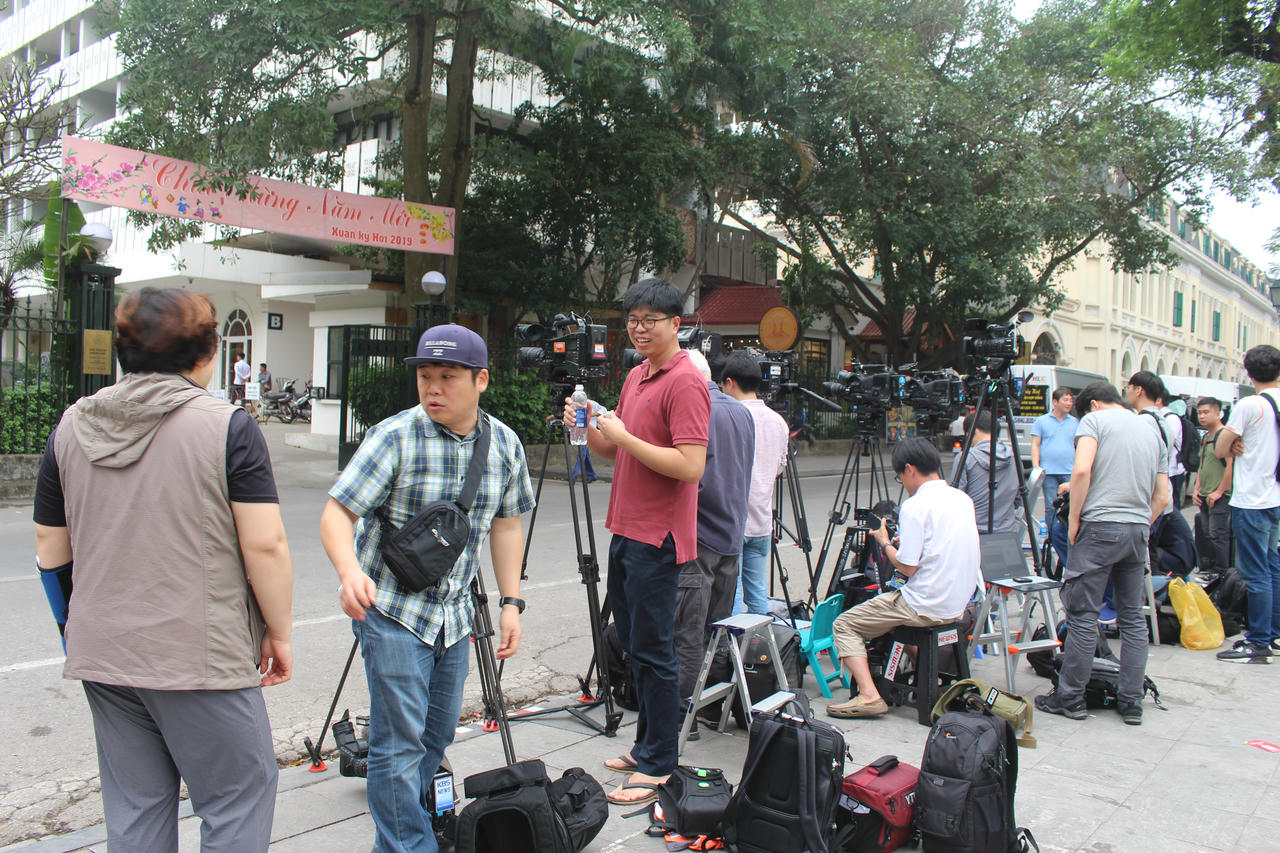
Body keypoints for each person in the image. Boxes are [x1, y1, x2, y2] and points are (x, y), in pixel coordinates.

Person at [33, 287, 293, 852]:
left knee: (136, 808)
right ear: (208, 351)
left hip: (104, 654)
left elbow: (50, 547)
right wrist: (278, 630)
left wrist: (75, 627)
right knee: (238, 797)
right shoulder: (228, 427)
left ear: (123, 350)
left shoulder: (70, 428)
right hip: (200, 655)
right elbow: (266, 545)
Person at [320, 323, 535, 852]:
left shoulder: (504, 444)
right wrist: (349, 572)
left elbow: (507, 525)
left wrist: (510, 603)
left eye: (448, 377)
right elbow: (337, 512)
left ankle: (397, 836)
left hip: (455, 617)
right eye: (425, 376)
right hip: (392, 611)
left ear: (481, 380)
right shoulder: (394, 437)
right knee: (399, 745)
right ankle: (409, 845)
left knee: (434, 738)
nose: (433, 388)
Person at [565, 278, 709, 806]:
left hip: (658, 535)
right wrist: (588, 427)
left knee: (654, 650)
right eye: (633, 320)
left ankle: (660, 763)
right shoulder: (636, 375)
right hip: (626, 528)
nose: (640, 328)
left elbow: (690, 465)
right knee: (633, 644)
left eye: (651, 320)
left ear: (676, 324)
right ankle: (647, 744)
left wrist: (624, 435)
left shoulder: (686, 381)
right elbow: (615, 451)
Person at [1036, 381, 1168, 725]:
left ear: (1093, 404)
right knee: (1133, 619)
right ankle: (1131, 700)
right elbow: (1163, 496)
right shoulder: (1151, 429)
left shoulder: (1094, 422)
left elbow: (1082, 470)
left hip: (1098, 528)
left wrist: (1075, 519)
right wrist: (1140, 523)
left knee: (1082, 616)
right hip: (1137, 530)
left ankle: (1070, 698)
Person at [826, 438, 982, 719]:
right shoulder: (962, 499)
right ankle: (929, 675)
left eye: (900, 477)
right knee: (890, 621)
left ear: (909, 469)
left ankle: (869, 696)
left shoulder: (915, 504)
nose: (904, 483)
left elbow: (906, 567)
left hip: (925, 605)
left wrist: (884, 541)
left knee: (845, 624)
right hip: (957, 605)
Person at [673, 349, 754, 711]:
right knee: (715, 631)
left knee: (687, 633)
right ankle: (709, 707)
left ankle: (680, 715)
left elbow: (691, 475)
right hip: (731, 535)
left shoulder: (697, 409)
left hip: (700, 535)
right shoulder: (741, 411)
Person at [1214, 345, 1280, 664]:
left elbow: (1220, 448)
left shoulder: (1251, 404)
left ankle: (1258, 641)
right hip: (1275, 496)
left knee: (1256, 573)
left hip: (1252, 498)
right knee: (1272, 566)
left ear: (1249, 373)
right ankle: (1274, 633)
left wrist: (1236, 444)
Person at [720, 349, 789, 615]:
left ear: (730, 382)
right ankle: (762, 641)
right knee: (758, 596)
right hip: (762, 522)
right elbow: (778, 469)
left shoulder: (730, 416)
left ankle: (736, 642)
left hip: (734, 523)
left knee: (733, 597)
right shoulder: (778, 422)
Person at [953, 409, 1021, 535]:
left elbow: (956, 499)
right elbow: (1018, 498)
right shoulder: (1013, 457)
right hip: (1007, 532)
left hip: (972, 532)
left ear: (974, 431)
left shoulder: (965, 458)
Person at [1194, 396, 1233, 575]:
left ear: (1218, 413)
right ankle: (1211, 571)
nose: (1202, 416)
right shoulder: (1206, 437)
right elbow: (1202, 465)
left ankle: (1222, 573)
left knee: (1218, 536)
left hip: (1219, 497)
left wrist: (1219, 492)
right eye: (1199, 413)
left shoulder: (1224, 435)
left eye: (1206, 412)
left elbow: (1230, 466)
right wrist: (1196, 489)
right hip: (1204, 495)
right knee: (1207, 535)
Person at [1031, 388, 1078, 530]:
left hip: (1069, 471)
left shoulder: (1075, 422)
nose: (1069, 403)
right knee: (1051, 506)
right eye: (1065, 400)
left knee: (1071, 505)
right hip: (1049, 472)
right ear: (1055, 402)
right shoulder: (1041, 421)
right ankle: (1051, 536)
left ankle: (1066, 535)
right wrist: (1036, 466)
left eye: (1070, 400)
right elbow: (1035, 445)